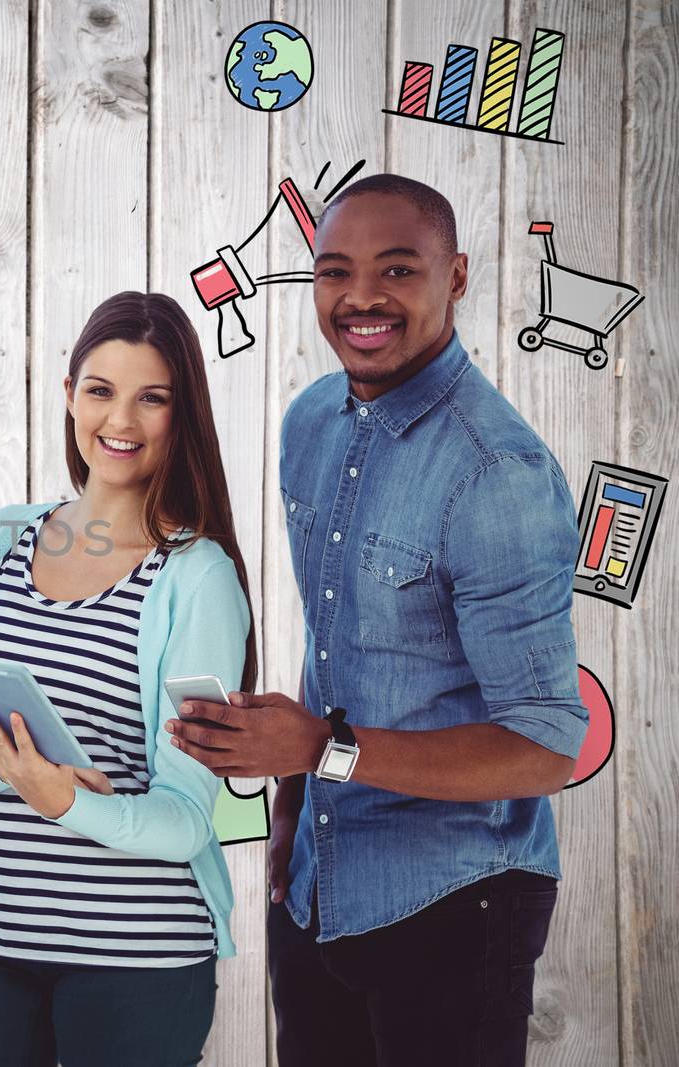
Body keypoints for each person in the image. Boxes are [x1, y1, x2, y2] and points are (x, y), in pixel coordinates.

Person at [164, 174, 588, 1067]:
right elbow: (336, 647)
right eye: (334, 271)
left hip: (455, 901)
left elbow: (547, 745)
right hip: (322, 883)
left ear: (457, 276)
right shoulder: (310, 422)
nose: (361, 297)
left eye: (399, 270)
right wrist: (291, 798)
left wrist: (320, 749)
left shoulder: (496, 473)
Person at [0, 291, 255, 1067]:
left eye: (153, 397)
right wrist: (21, 774)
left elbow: (186, 819)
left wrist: (61, 798)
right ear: (69, 394)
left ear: (183, 413)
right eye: (101, 390)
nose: (122, 421)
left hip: (136, 957)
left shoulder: (195, 577)